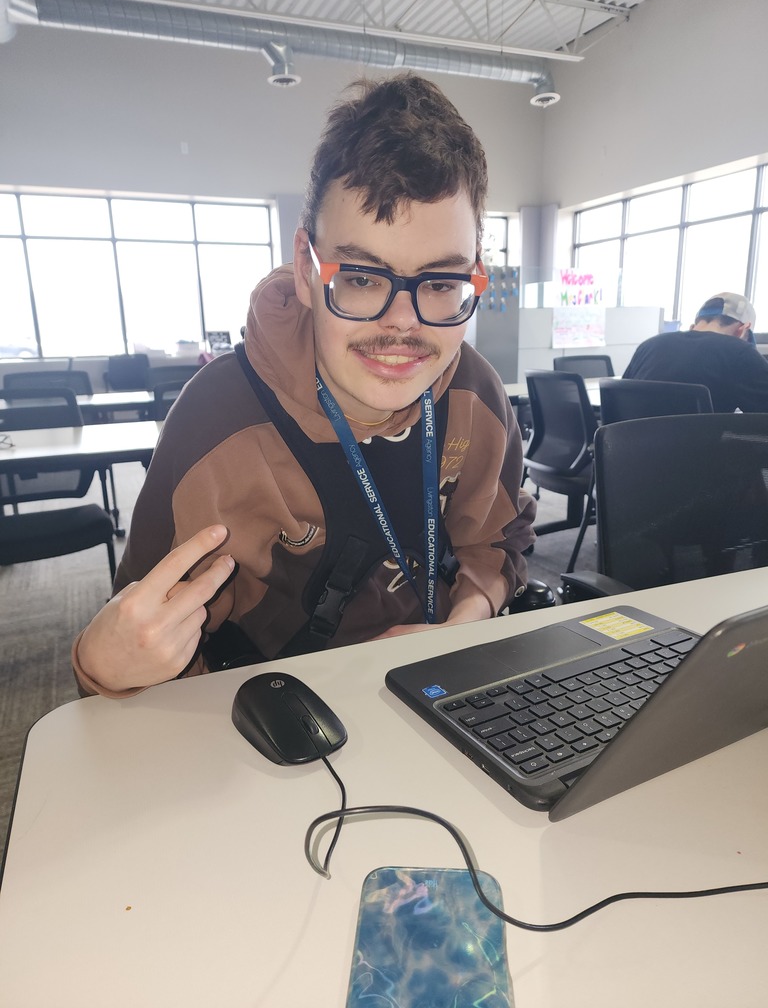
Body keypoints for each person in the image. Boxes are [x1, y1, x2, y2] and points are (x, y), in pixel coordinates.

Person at [74, 73, 537, 698]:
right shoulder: (218, 422)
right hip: (277, 715)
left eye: (439, 283)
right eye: (362, 278)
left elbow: (500, 542)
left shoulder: (475, 393)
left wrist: (459, 625)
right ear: (305, 268)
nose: (403, 324)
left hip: (440, 686)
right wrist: (104, 668)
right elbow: (142, 639)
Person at [623, 291, 768, 412]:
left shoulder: (648, 346)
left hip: (633, 438)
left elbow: (621, 399)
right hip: (699, 438)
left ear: (694, 326)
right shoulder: (740, 351)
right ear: (742, 330)